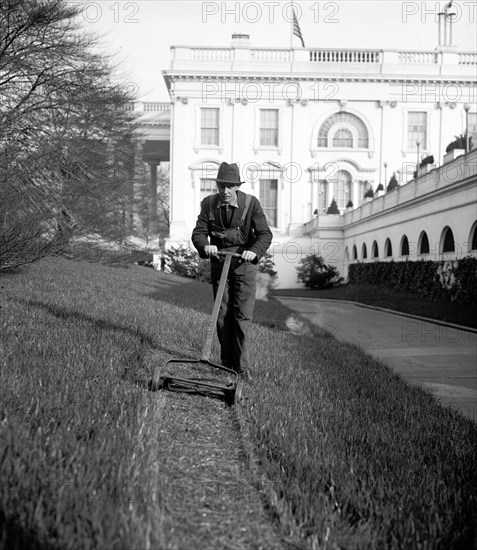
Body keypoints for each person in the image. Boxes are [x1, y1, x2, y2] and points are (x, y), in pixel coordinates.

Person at [191, 162, 273, 379]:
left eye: (230, 187)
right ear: (217, 186)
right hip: (220, 264)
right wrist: (204, 245)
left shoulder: (251, 204)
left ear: (237, 186)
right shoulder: (208, 204)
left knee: (241, 316)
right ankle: (226, 362)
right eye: (221, 186)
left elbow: (265, 234)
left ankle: (242, 367)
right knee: (221, 315)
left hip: (244, 266)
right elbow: (199, 233)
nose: (225, 192)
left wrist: (253, 251)